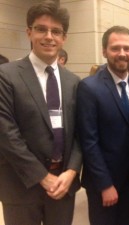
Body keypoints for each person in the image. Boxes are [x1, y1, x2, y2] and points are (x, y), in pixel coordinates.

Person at [0, 1, 82, 224]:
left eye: (56, 31)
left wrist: (72, 171)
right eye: (41, 29)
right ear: (29, 32)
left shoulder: (73, 82)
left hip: (63, 184)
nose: (49, 36)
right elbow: (6, 134)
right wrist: (42, 177)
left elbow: (80, 134)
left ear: (64, 38)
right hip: (21, 186)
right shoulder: (6, 76)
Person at [77, 26, 129, 225]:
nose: (122, 53)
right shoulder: (89, 87)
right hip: (103, 183)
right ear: (104, 51)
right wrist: (105, 185)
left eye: (127, 48)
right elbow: (89, 141)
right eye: (115, 48)